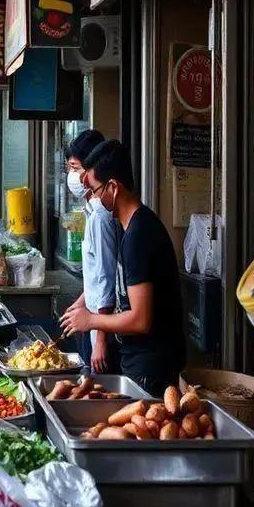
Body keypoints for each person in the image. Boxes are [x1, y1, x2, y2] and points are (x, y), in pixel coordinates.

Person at [60, 140, 186, 397]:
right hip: (138, 359)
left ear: (114, 187)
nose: (94, 198)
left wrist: (91, 320)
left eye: (95, 190)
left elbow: (141, 319)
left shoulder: (140, 235)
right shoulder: (132, 228)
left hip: (150, 365)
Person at [62, 130, 121, 373]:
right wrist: (80, 303)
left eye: (74, 167)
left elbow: (107, 279)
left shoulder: (101, 216)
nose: (71, 176)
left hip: (102, 328)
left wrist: (99, 342)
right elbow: (95, 275)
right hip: (93, 319)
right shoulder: (92, 210)